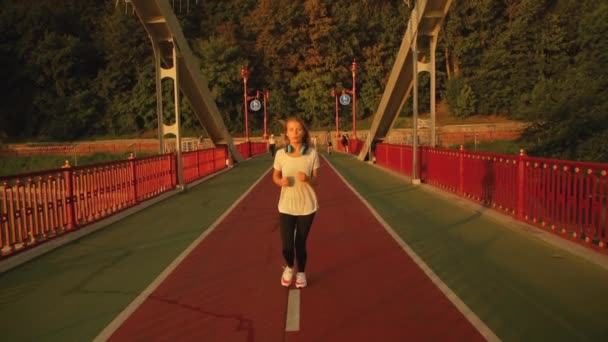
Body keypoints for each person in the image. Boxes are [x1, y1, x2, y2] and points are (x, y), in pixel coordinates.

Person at [272, 117, 320, 289]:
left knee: (300, 244)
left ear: (304, 132)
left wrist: (307, 179)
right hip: (286, 206)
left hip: (307, 206)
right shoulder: (280, 154)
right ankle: (290, 267)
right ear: (286, 133)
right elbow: (275, 177)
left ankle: (301, 273)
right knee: (286, 247)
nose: (294, 133)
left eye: (298, 129)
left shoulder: (312, 154)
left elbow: (316, 181)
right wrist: (280, 182)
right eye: (291, 129)